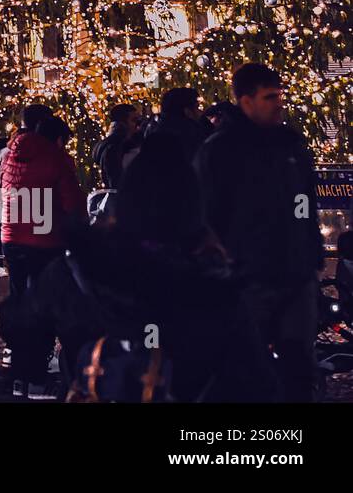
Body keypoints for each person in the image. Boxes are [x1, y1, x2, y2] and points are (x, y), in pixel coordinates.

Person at [26, 133, 273, 402]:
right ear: (191, 208)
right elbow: (256, 383)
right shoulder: (213, 287)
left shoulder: (78, 270)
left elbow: (22, 321)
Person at [195, 63, 324, 402]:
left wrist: (310, 252)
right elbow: (207, 212)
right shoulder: (221, 150)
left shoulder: (290, 145)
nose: (279, 104)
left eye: (280, 96)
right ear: (246, 101)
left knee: (298, 365)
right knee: (244, 365)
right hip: (248, 275)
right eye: (270, 97)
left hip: (294, 272)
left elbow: (304, 202)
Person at [0, 112, 85, 398]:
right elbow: (72, 203)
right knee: (45, 308)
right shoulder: (57, 158)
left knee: (21, 305)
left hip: (12, 238)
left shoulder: (12, 152)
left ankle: (19, 375)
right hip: (44, 241)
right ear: (59, 139)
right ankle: (36, 377)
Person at [147, 87, 208, 162]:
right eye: (197, 107)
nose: (199, 112)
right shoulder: (192, 135)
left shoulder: (154, 135)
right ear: (187, 111)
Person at [91, 103, 142, 190]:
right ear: (122, 123)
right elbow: (116, 182)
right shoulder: (115, 148)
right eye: (134, 120)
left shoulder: (109, 145)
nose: (138, 125)